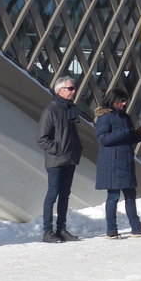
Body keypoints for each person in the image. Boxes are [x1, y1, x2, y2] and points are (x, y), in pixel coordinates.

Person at [93, 88, 141, 238]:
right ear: (113, 101)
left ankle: (136, 228)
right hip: (112, 163)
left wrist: (139, 135)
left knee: (130, 195)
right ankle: (111, 230)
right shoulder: (104, 118)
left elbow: (127, 138)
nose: (124, 103)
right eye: (121, 101)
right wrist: (127, 133)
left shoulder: (125, 117)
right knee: (113, 196)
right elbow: (103, 139)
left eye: (125, 100)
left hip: (125, 161)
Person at [37, 75, 83, 243]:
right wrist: (56, 150)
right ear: (60, 90)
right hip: (56, 160)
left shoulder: (70, 109)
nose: (74, 91)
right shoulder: (51, 110)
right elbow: (42, 138)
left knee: (65, 195)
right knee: (53, 194)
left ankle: (61, 229)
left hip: (70, 158)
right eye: (70, 88)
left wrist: (77, 149)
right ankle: (47, 232)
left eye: (74, 88)